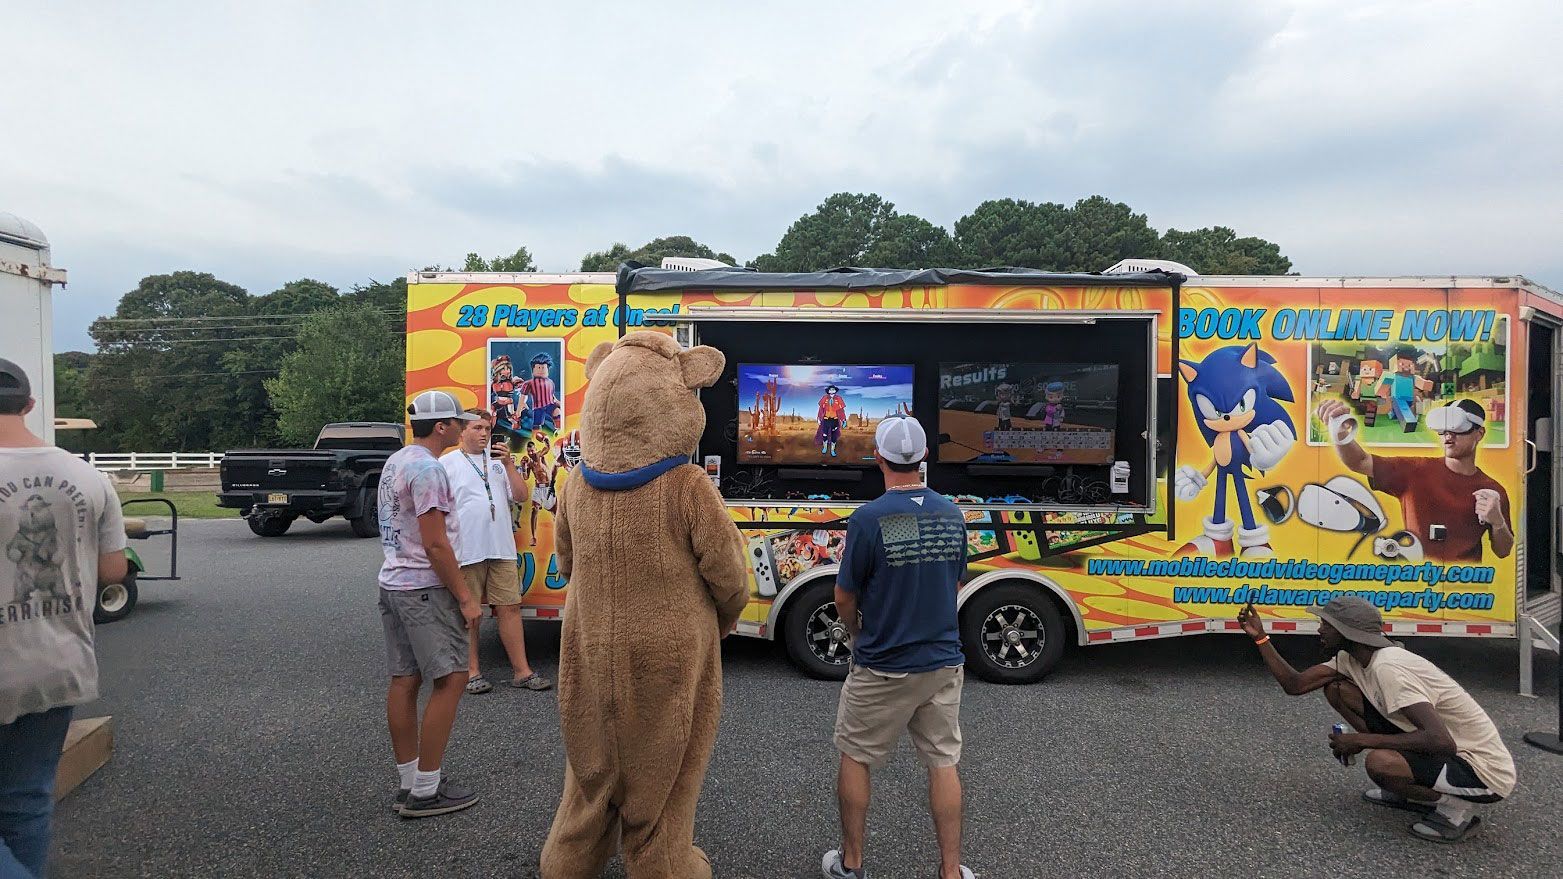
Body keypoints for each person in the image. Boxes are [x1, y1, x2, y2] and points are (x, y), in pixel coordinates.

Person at [825, 415, 973, 879]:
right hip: (943, 663)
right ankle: (951, 872)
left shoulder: (869, 519)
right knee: (943, 761)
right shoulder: (952, 514)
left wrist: (855, 633)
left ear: (878, 458)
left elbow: (845, 595)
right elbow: (953, 581)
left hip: (883, 665)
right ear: (924, 457)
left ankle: (851, 865)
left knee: (856, 754)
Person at [1238, 596, 1516, 843]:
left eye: (1326, 625)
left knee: (1380, 762)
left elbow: (1439, 740)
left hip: (1482, 772)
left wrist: (1360, 741)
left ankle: (1456, 811)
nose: (1320, 630)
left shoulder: (1389, 668)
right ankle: (1408, 787)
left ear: (1348, 632)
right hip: (1447, 753)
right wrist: (1260, 638)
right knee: (1337, 689)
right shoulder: (1350, 658)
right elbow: (1295, 685)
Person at [0, 358, 128, 878]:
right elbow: (114, 569)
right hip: (58, 660)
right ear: (30, 405)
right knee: (26, 802)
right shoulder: (87, 476)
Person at [378, 390, 483, 819]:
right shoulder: (429, 470)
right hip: (425, 588)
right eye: (458, 421)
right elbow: (436, 544)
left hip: (393, 583)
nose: (462, 426)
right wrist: (465, 597)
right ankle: (427, 790)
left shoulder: (397, 461)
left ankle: (409, 781)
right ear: (442, 427)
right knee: (453, 678)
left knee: (405, 680)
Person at [1316, 398, 1511, 562]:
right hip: (1417, 581)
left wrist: (1498, 523)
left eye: (1459, 428)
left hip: (1464, 587)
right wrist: (1340, 432)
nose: (1448, 435)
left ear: (1479, 433)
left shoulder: (1493, 490)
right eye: (1443, 429)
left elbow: (1503, 551)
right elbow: (1360, 462)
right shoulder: (1415, 470)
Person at [440, 409, 551, 695]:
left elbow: (522, 496)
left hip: (501, 548)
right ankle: (472, 671)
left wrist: (510, 466)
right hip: (466, 551)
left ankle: (522, 671)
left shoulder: (500, 462)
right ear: (462, 431)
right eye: (477, 428)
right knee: (471, 614)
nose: (484, 434)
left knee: (510, 607)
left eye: (487, 429)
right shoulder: (447, 463)